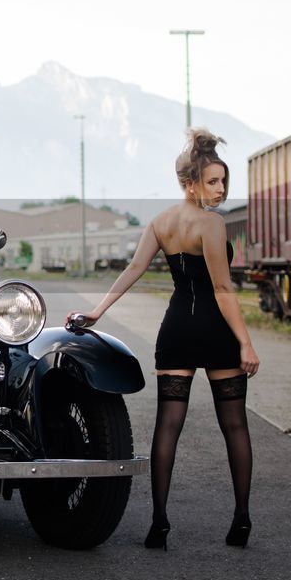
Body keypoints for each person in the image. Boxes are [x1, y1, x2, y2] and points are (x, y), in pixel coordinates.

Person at [68, 128, 260, 549]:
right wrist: (245, 342)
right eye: (213, 181)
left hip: (176, 331)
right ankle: (241, 519)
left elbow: (133, 270)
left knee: (168, 426)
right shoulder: (211, 223)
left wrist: (96, 312)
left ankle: (159, 523)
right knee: (234, 425)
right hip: (215, 331)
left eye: (224, 181)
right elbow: (223, 290)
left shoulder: (161, 222)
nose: (221, 188)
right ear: (189, 182)